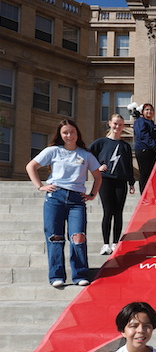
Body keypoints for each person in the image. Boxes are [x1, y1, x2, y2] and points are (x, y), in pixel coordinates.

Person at [25, 119, 101, 288]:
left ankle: (80, 274)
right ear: (60, 135)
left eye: (72, 132)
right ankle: (56, 276)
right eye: (65, 133)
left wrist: (92, 194)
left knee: (78, 237)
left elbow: (97, 176)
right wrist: (40, 186)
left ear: (77, 134)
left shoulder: (85, 154)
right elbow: (31, 166)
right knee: (55, 237)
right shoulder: (53, 151)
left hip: (76, 201)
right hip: (55, 198)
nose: (69, 135)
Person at [90, 114, 135, 255]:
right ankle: (105, 244)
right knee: (108, 211)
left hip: (121, 182)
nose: (118, 127)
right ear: (110, 123)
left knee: (118, 213)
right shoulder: (101, 142)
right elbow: (87, 156)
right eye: (115, 123)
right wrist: (97, 167)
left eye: (121, 124)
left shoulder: (125, 146)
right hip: (105, 181)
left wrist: (132, 183)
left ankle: (116, 243)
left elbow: (128, 165)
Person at [134, 103, 156, 194]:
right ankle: (144, 196)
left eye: (151, 110)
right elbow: (143, 136)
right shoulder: (140, 121)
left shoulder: (152, 124)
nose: (149, 111)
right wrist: (155, 147)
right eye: (147, 109)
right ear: (143, 112)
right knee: (145, 174)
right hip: (144, 150)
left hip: (154, 151)